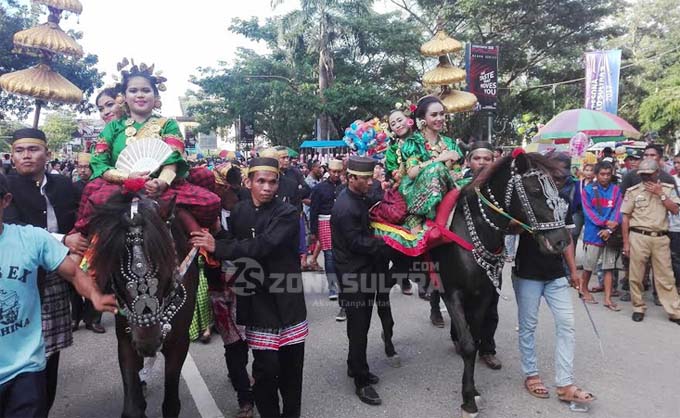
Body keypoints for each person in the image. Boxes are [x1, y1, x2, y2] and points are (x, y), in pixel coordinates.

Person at [190, 157, 307, 418]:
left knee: (290, 373)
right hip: (256, 300)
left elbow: (262, 246)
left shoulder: (287, 213)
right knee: (264, 373)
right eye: (261, 181)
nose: (267, 187)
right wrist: (218, 233)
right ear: (248, 182)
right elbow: (237, 243)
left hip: (285, 300)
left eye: (272, 182)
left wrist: (218, 247)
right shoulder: (240, 211)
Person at [0, 173, 117, 418]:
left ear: (5, 201)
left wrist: (94, 296)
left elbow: (74, 272)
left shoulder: (31, 238)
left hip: (24, 368)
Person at [74, 61, 220, 235]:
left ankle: (206, 244)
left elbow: (173, 158)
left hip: (161, 187)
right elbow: (99, 162)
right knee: (94, 202)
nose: (140, 95)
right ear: (123, 97)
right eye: (133, 91)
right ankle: (79, 248)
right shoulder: (112, 128)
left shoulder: (168, 124)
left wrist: (162, 182)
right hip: (120, 186)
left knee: (211, 202)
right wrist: (127, 178)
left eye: (146, 90)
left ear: (155, 96)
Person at [3, 128, 87, 414]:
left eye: (34, 149)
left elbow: (81, 216)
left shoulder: (63, 184)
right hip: (21, 279)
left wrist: (79, 238)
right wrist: (64, 239)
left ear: (47, 154)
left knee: (49, 354)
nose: (27, 155)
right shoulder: (6, 187)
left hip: (58, 276)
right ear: (12, 156)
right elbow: (16, 229)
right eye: (20, 150)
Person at [512, 158, 596, 405]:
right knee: (528, 326)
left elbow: (568, 238)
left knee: (567, 325)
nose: (557, 183)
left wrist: (573, 272)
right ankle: (531, 375)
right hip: (528, 273)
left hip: (556, 274)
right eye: (554, 177)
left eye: (562, 178)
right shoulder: (527, 200)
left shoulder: (564, 202)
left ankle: (565, 384)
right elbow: (509, 229)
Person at [332, 156, 391, 406]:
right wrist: (386, 242)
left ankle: (354, 365)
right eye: (365, 179)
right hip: (354, 275)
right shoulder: (346, 207)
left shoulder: (358, 198)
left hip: (362, 272)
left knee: (360, 326)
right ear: (351, 178)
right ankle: (361, 381)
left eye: (371, 178)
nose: (370, 183)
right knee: (359, 328)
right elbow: (357, 243)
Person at [621, 159, 680, 324]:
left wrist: (660, 193)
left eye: (649, 174)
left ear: (657, 173)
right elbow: (625, 217)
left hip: (660, 237)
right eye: (643, 175)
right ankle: (638, 307)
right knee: (636, 276)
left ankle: (674, 311)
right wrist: (626, 243)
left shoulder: (667, 189)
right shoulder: (633, 191)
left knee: (666, 276)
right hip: (638, 236)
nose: (646, 177)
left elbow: (675, 210)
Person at [69, 152, 105, 334]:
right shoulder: (72, 186)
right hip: (78, 236)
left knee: (96, 276)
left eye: (86, 166)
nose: (83, 170)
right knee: (74, 274)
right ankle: (74, 317)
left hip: (97, 235)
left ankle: (93, 319)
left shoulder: (103, 185)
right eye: (80, 166)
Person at [579, 162, 623, 310]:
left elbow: (618, 211)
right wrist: (605, 223)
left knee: (609, 267)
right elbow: (589, 212)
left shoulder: (616, 190)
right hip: (593, 234)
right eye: (602, 174)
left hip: (610, 234)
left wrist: (610, 229)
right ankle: (583, 289)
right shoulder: (588, 190)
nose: (605, 177)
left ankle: (608, 298)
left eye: (608, 174)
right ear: (596, 175)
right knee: (589, 266)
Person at [309, 159, 344, 308]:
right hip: (325, 222)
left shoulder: (345, 188)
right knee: (329, 255)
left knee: (342, 255)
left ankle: (343, 285)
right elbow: (314, 211)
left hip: (342, 223)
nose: (336, 174)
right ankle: (332, 287)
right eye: (333, 171)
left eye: (338, 172)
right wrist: (313, 231)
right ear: (328, 171)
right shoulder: (319, 189)